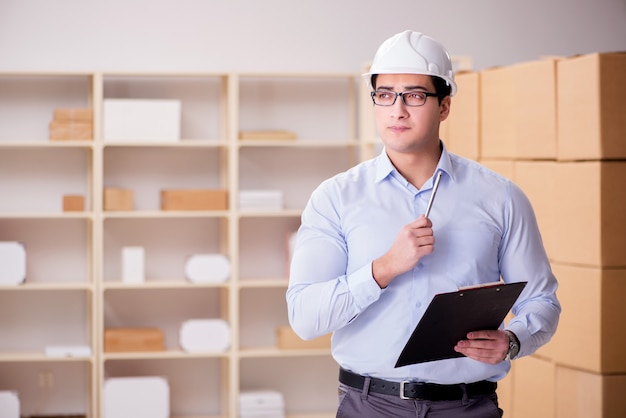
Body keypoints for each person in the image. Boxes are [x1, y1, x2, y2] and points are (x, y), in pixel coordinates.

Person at [286, 30, 560, 417]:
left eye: (414, 95)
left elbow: (542, 300)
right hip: (368, 406)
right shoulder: (336, 198)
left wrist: (514, 341)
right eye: (385, 95)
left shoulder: (501, 197)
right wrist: (384, 268)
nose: (397, 110)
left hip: (468, 406)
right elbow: (305, 317)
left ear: (444, 106)